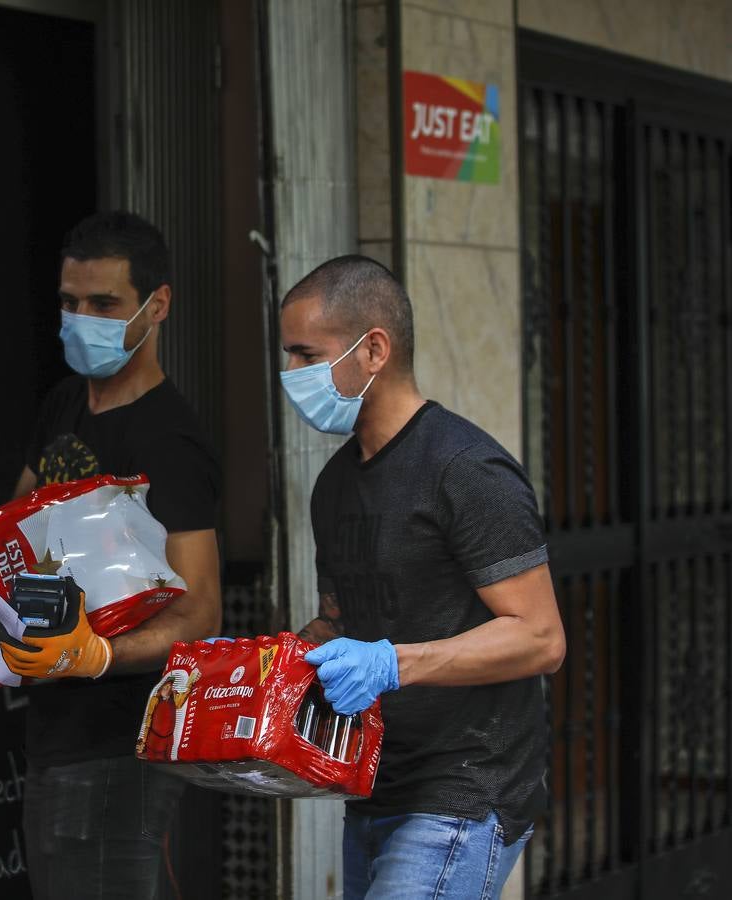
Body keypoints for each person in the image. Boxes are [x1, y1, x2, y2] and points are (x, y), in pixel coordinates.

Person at [279, 255, 565, 899]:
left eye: (305, 354)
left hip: (465, 789)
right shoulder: (334, 484)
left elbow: (542, 638)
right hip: (376, 785)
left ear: (373, 348)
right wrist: (270, 666)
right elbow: (340, 621)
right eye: (287, 356)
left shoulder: (464, 468)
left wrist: (390, 664)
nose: (290, 375)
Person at [0, 211, 222, 899]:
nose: (81, 319)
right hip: (55, 730)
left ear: (157, 306)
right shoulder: (64, 403)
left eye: (103, 304)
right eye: (70, 302)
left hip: (123, 746)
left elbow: (200, 614)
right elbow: (18, 529)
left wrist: (94, 654)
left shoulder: (171, 443)